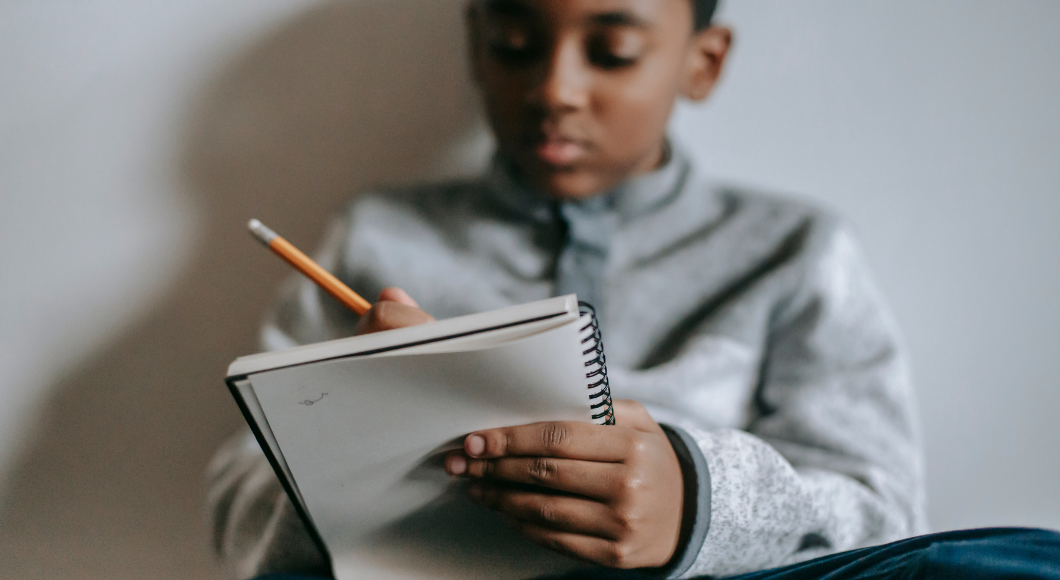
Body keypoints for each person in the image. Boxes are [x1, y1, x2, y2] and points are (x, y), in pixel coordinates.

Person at [207, 1, 1060, 579]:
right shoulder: (378, 239)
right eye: (513, 44)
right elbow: (242, 504)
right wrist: (361, 438)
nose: (555, 91)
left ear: (704, 61)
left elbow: (883, 513)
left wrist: (697, 501)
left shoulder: (796, 250)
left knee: (1022, 563)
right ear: (475, 43)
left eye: (612, 52)